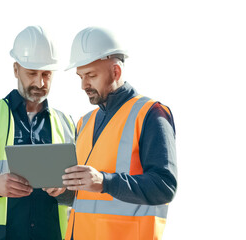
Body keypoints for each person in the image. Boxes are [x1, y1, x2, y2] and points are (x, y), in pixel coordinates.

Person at [0, 26, 75, 240]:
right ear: (16, 70)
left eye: (46, 74)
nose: (39, 83)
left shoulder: (67, 123)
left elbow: (80, 187)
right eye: (31, 73)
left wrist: (65, 190)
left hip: (51, 234)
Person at [62, 27, 177, 240]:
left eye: (91, 75)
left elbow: (164, 187)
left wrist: (105, 181)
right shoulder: (84, 122)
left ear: (116, 72)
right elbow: (86, 196)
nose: (83, 85)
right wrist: (63, 192)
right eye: (80, 76)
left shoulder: (151, 113)